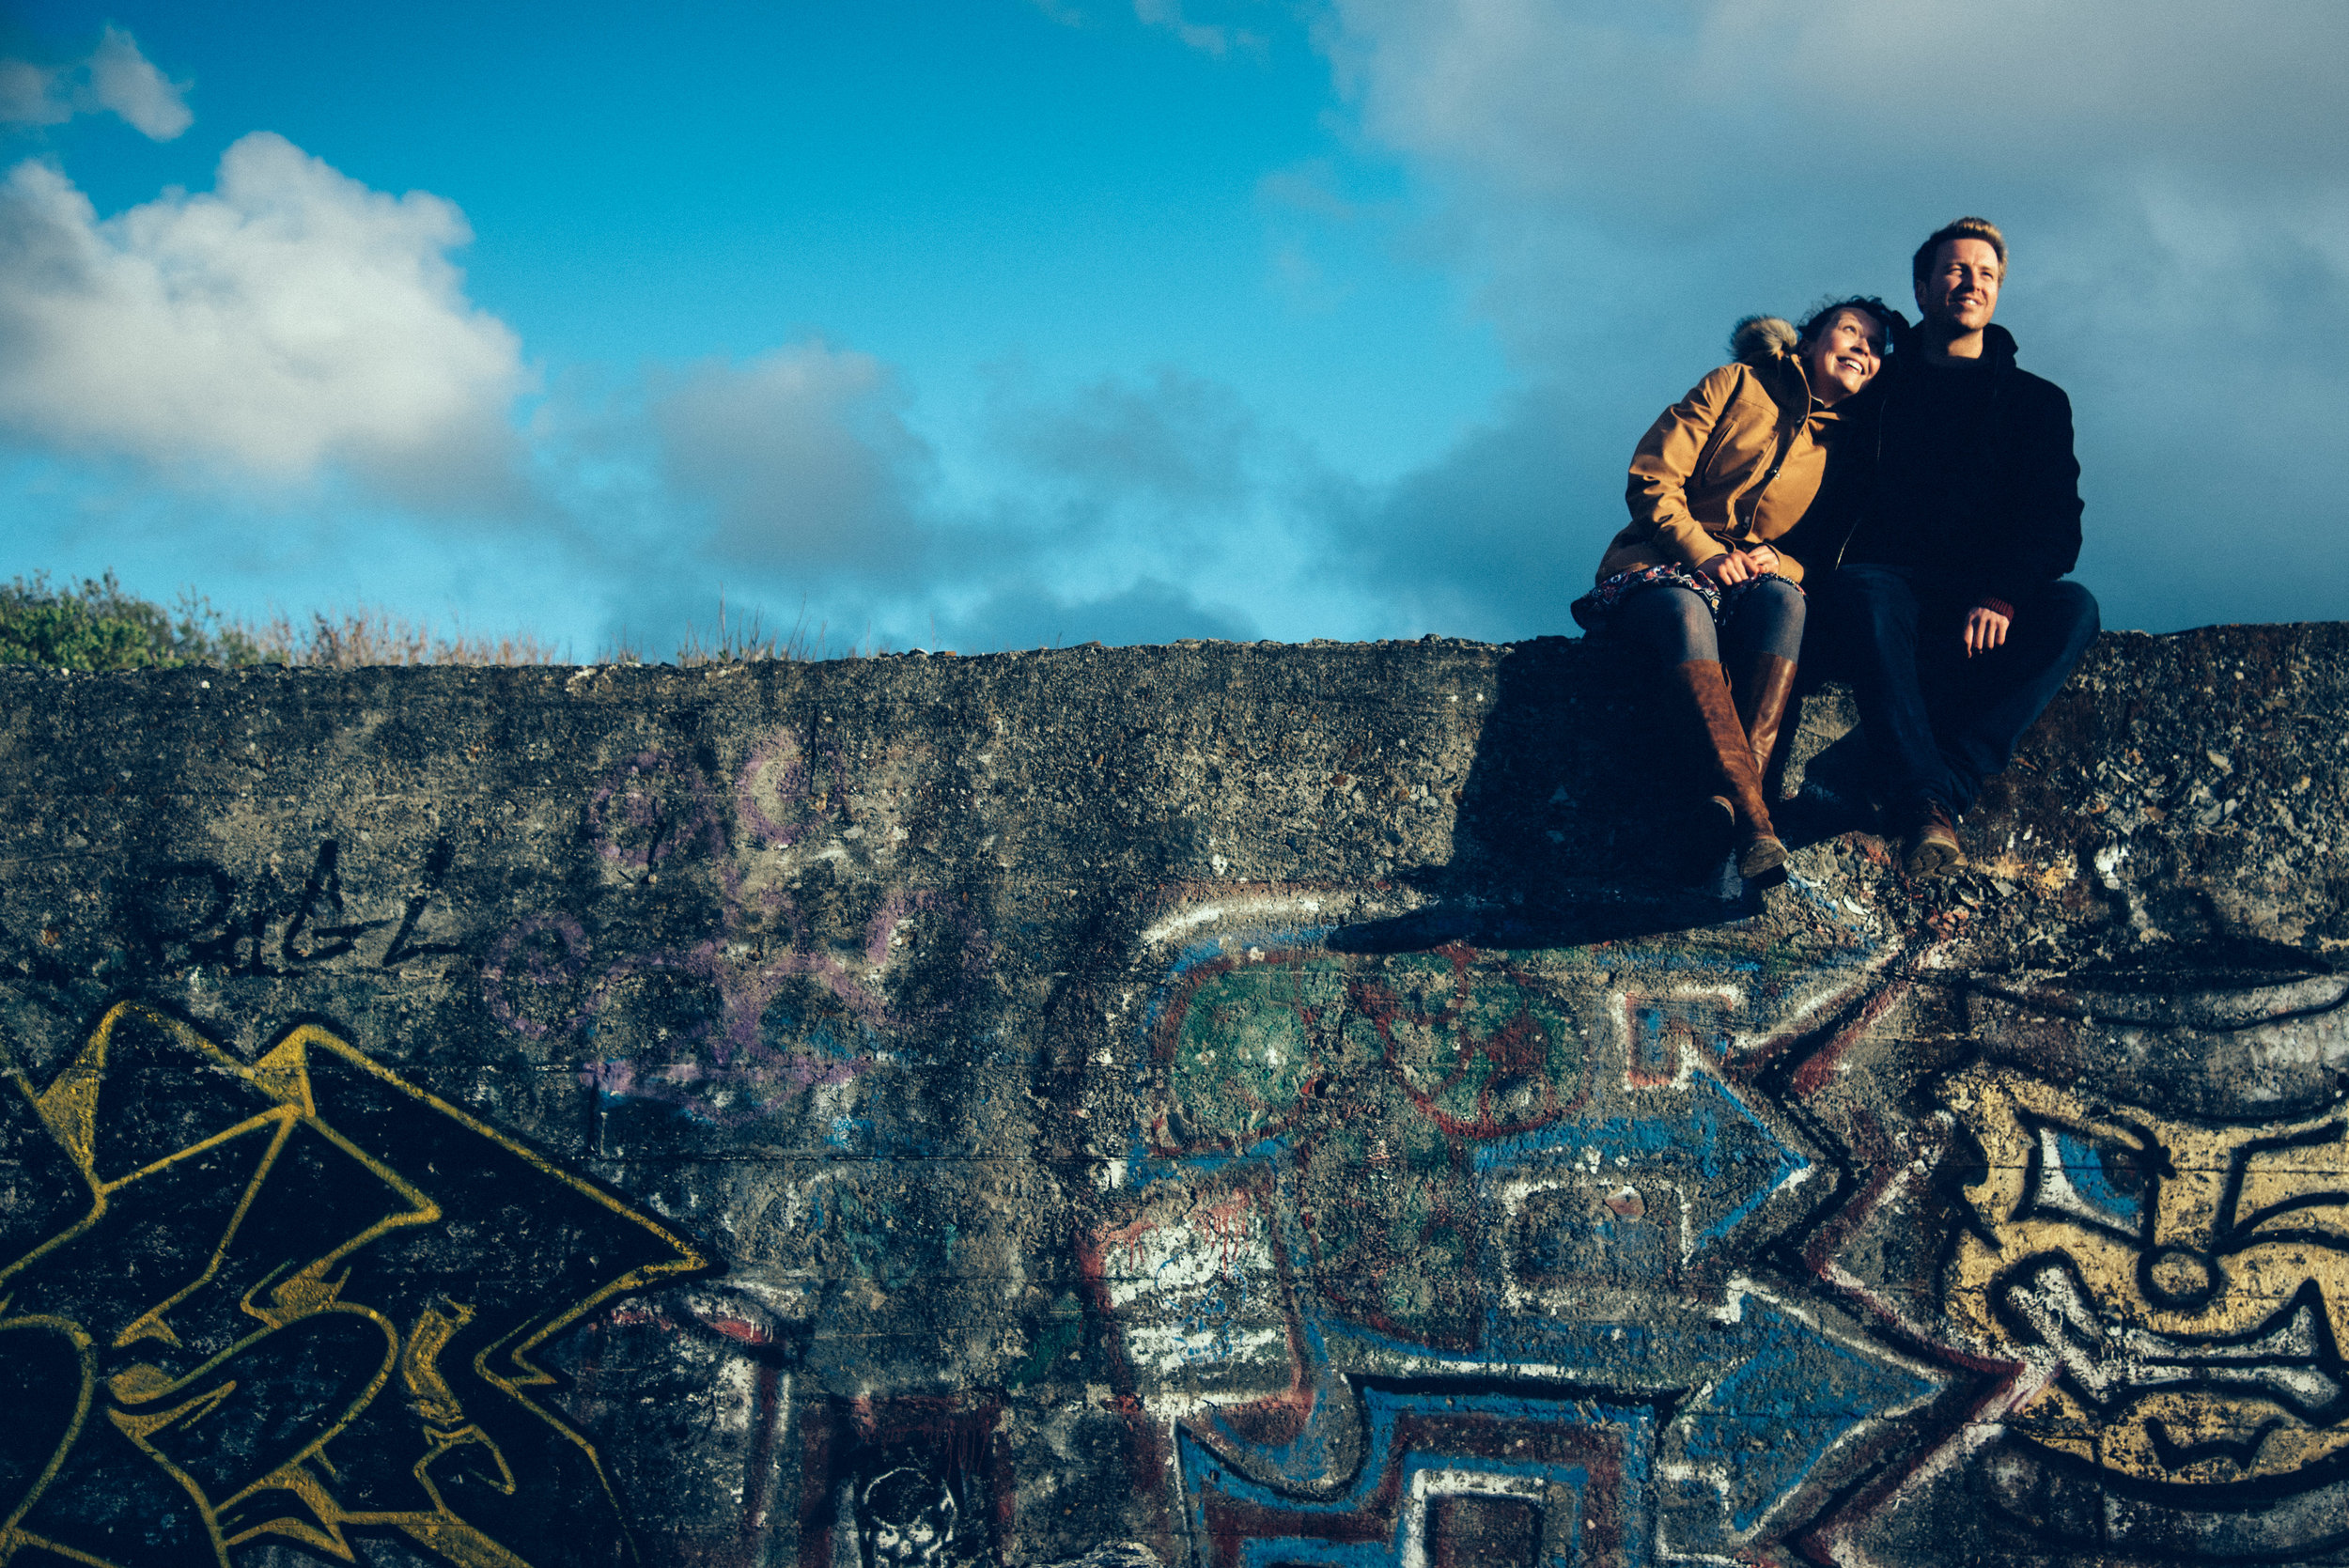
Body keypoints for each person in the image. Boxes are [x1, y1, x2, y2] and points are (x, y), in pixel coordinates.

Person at [1574, 297, 1896, 878]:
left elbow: (1827, 555)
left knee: (1786, 601)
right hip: (1663, 562)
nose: (1862, 349)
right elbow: (1652, 478)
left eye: (1876, 347)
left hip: (1757, 582)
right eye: (1850, 331)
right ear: (1808, 340)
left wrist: (1782, 562)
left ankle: (1725, 805)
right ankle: (1753, 818)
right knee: (1682, 609)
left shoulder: (1853, 446)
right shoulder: (1736, 383)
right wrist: (1705, 553)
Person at [1816, 218, 2100, 878]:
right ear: (1921, 289)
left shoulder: (2037, 402)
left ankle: (1943, 787)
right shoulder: (1878, 392)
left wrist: (2003, 592)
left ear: (1998, 290)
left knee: (2074, 609)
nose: (1971, 280)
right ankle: (1923, 800)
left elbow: (2057, 521)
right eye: (1954, 268)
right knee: (1863, 586)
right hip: (1892, 595)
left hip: (1985, 603)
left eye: (1986, 272)